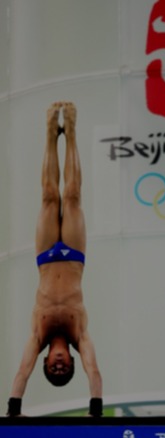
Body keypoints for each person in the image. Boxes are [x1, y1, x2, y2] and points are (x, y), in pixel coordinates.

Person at [6, 102, 103, 417]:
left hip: (46, 257)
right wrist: (96, 411)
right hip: (74, 255)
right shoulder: (80, 335)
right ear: (71, 361)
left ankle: (51, 134)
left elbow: (22, 370)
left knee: (49, 195)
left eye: (53, 370)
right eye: (64, 371)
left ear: (45, 361)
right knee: (72, 194)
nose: (59, 366)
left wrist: (14, 410)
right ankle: (70, 132)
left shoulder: (38, 335)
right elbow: (95, 372)